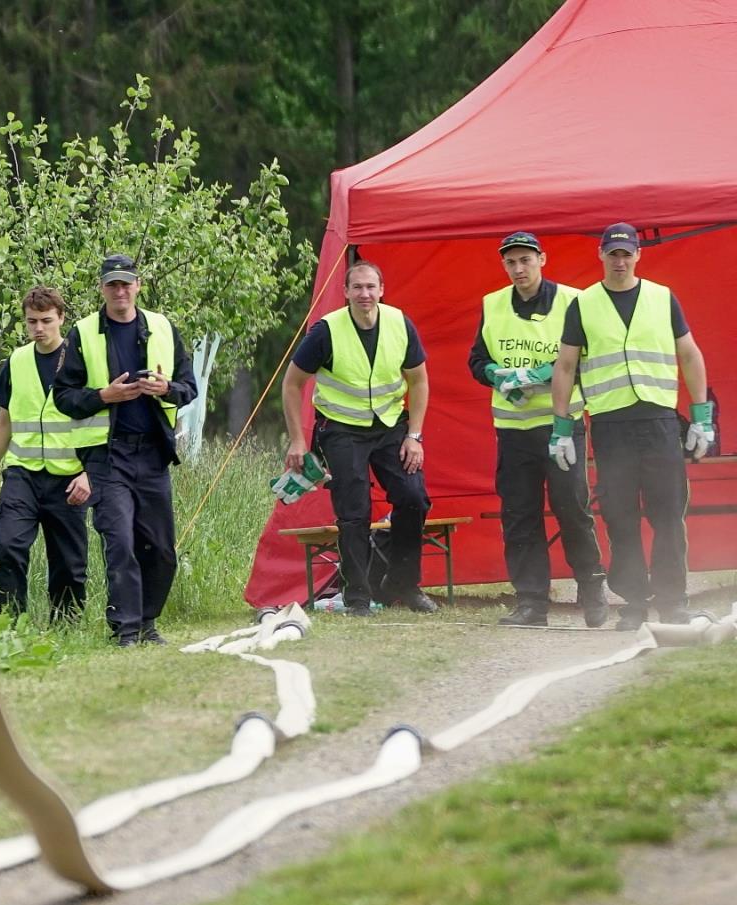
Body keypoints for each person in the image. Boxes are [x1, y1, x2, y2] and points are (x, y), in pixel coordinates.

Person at [550, 223, 712, 630]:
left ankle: (673, 601)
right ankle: (635, 602)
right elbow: (566, 366)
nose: (619, 261)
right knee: (620, 517)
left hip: (658, 421)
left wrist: (702, 417)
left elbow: (690, 356)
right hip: (611, 424)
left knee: (668, 514)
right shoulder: (584, 304)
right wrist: (561, 426)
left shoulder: (662, 298)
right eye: (613, 253)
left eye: (627, 254)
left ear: (638, 255)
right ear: (601, 255)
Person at [52, 254, 199, 646]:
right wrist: (104, 395)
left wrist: (166, 389)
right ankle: (127, 629)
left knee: (162, 548)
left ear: (138, 285)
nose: (120, 291)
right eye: (112, 284)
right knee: (119, 542)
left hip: (153, 453)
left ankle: (148, 621)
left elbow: (189, 387)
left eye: (126, 283)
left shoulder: (163, 328)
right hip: (106, 456)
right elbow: (63, 397)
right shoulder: (83, 334)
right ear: (102, 288)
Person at [468, 231, 607, 627]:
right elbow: (476, 359)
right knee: (519, 514)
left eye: (525, 260)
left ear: (542, 260)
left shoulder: (571, 301)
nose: (518, 269)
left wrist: (547, 373)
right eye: (510, 262)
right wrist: (495, 375)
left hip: (561, 426)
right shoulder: (492, 304)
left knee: (572, 509)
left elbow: (589, 358)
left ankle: (591, 588)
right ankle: (531, 602)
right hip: (513, 431)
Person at [281, 260, 436, 616]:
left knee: (413, 498)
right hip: (341, 429)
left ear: (382, 290)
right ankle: (358, 597)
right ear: (346, 292)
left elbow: (419, 380)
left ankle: (403, 584)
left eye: (371, 287)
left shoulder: (400, 323)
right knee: (355, 512)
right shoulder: (326, 331)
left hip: (390, 425)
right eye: (358, 288)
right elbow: (291, 384)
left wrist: (415, 435)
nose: (365, 294)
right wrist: (297, 440)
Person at [0, 286, 95, 619]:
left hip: (69, 477)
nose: (38, 328)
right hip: (21, 473)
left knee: (69, 563)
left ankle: (66, 626)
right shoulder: (17, 362)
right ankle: (11, 625)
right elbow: (3, 423)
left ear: (61, 319)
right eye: (31, 322)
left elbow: (101, 424)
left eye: (46, 321)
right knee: (6, 545)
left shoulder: (83, 363)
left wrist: (89, 474)